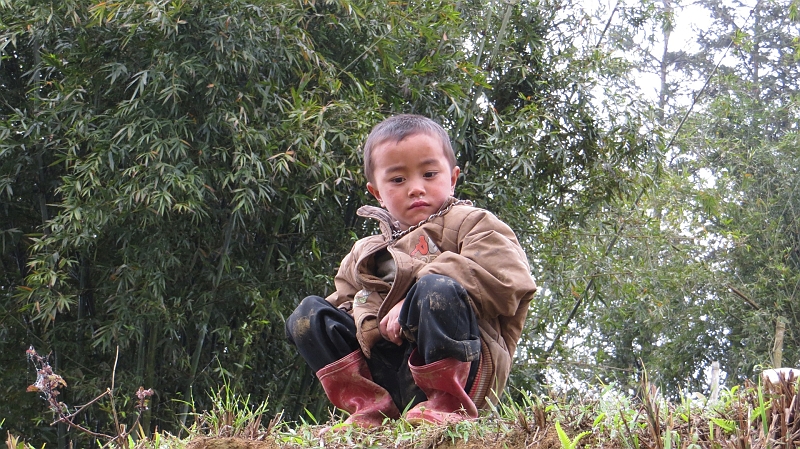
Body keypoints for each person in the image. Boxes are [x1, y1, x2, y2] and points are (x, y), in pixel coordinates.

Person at [285, 114, 537, 428]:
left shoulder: (472, 223)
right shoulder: (363, 253)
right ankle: (370, 409)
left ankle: (447, 407)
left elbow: (508, 278)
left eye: (429, 173)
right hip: (386, 368)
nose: (416, 188)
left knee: (437, 290)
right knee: (308, 316)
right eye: (398, 180)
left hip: (465, 367)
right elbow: (344, 304)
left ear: (453, 177)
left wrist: (412, 300)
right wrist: (366, 322)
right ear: (376, 192)